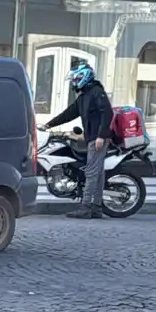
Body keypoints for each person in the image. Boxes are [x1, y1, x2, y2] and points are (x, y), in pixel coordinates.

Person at [42, 63, 114, 219]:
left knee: (91, 173)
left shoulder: (97, 92)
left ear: (85, 77)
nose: (74, 83)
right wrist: (49, 124)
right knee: (98, 174)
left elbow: (107, 113)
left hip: (97, 139)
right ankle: (96, 207)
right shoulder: (84, 97)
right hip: (92, 138)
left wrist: (101, 136)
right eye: (74, 80)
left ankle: (86, 207)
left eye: (77, 79)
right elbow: (69, 113)